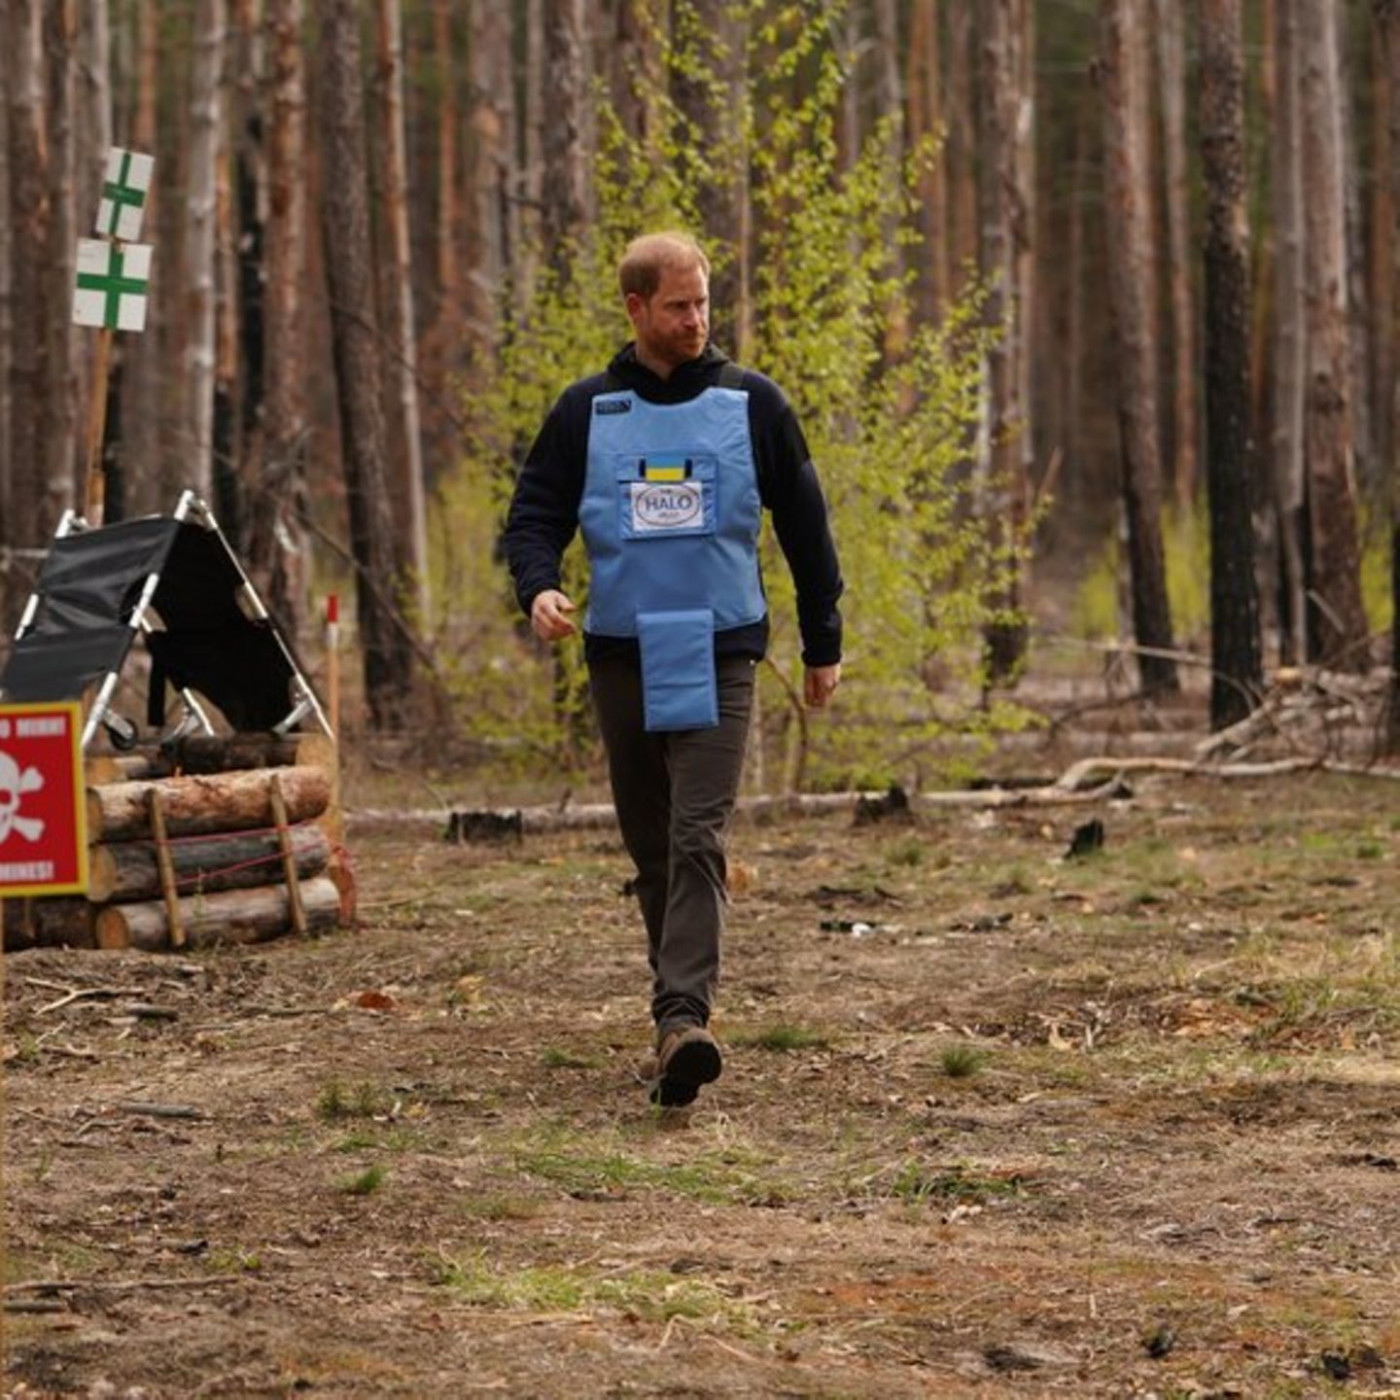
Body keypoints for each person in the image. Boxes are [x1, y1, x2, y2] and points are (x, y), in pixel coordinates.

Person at [503, 230, 844, 1108]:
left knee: (698, 835)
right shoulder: (587, 412)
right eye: (678, 306)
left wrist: (823, 641)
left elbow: (806, 527)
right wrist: (538, 589)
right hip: (623, 652)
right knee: (652, 845)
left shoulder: (752, 404)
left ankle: (683, 1017)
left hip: (722, 646)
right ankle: (675, 1026)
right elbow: (533, 517)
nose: (696, 320)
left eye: (703, 303)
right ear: (635, 308)